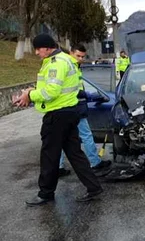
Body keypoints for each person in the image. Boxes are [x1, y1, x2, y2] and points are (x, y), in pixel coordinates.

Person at [13, 34, 103, 206]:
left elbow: (51, 92)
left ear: (47, 47)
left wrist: (30, 95)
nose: (37, 53)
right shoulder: (64, 59)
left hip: (57, 115)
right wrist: (32, 90)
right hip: (69, 112)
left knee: (49, 155)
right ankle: (93, 187)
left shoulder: (57, 63)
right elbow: (55, 87)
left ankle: (45, 193)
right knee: (74, 153)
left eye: (38, 49)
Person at [58, 44, 112, 177]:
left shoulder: (72, 66)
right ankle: (95, 163)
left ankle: (57, 167)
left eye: (82, 57)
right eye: (78, 56)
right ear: (71, 53)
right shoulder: (67, 67)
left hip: (70, 108)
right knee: (85, 136)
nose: (80, 59)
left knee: (62, 139)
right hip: (74, 108)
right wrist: (91, 96)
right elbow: (73, 91)